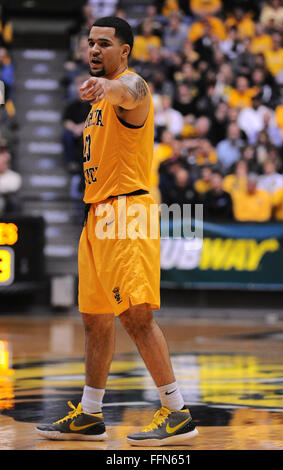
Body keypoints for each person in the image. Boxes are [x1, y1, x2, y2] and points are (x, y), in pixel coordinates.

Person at [36, 16, 198, 446]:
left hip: (127, 210)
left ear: (123, 51)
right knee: (94, 319)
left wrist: (106, 87)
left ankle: (176, 410)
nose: (93, 50)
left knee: (137, 316)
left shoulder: (132, 88)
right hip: (97, 216)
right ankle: (90, 414)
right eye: (90, 43)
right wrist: (99, 92)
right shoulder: (96, 103)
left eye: (103, 44)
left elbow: (131, 91)